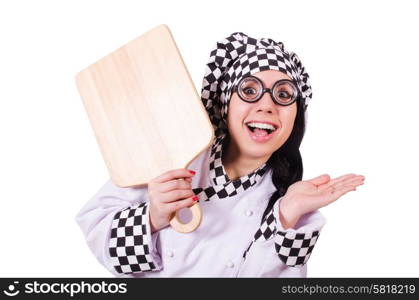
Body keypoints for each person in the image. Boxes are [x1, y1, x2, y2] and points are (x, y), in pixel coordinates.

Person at [75, 32, 365, 277]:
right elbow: (97, 233)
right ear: (225, 104)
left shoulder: (282, 198)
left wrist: (287, 217)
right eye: (250, 90)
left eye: (284, 95)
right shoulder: (170, 149)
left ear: (295, 116)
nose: (267, 106)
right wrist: (152, 216)